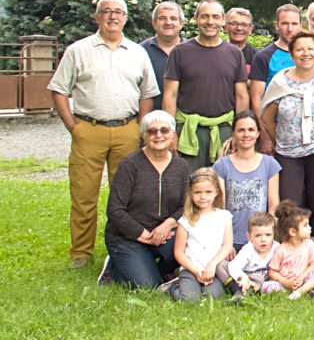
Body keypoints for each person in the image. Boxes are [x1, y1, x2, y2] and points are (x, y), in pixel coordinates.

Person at [49, 0, 160, 268]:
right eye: (106, 11)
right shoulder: (78, 50)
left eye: (118, 12)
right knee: (84, 195)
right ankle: (81, 253)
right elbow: (59, 90)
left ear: (125, 18)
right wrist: (73, 127)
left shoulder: (137, 52)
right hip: (89, 129)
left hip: (127, 129)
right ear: (97, 17)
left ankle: (123, 250)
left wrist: (141, 128)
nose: (113, 16)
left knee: (127, 197)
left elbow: (147, 93)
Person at [260, 30, 314, 241]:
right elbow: (268, 118)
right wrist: (281, 140)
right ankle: (291, 239)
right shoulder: (280, 82)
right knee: (290, 201)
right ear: (292, 54)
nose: (305, 53)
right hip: (288, 153)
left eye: (310, 49)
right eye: (299, 49)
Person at [100, 111, 189, 288]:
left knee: (192, 244)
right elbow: (115, 210)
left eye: (164, 130)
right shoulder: (129, 165)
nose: (158, 135)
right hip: (128, 236)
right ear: (143, 136)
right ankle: (113, 268)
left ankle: (155, 266)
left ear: (172, 134)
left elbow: (185, 206)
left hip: (165, 233)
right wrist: (145, 236)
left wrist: (167, 225)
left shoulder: (181, 166)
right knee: (147, 285)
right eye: (152, 131)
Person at [163, 0, 249, 170]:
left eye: (215, 17)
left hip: (224, 131)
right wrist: (170, 132)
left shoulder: (234, 53)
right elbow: (170, 94)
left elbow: (241, 96)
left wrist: (238, 132)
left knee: (223, 185)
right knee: (189, 185)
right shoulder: (180, 52)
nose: (210, 22)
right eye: (205, 16)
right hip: (188, 131)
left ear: (223, 20)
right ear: (196, 18)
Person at [213, 111, 281, 251]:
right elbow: (219, 207)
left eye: (251, 130)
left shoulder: (269, 164)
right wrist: (225, 242)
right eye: (241, 130)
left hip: (260, 240)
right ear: (233, 134)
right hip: (230, 239)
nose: (246, 135)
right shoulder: (221, 166)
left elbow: (274, 205)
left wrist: (267, 237)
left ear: (257, 133)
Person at [169, 168, 233, 302]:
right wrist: (196, 271)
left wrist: (213, 265)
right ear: (191, 193)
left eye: (208, 192)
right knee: (190, 300)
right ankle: (174, 286)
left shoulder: (224, 216)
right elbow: (179, 252)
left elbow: (227, 245)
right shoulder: (186, 220)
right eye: (197, 192)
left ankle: (202, 287)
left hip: (213, 269)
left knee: (213, 296)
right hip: (191, 269)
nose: (203, 197)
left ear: (216, 192)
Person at [249, 3, 303, 140]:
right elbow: (256, 98)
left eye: (294, 23)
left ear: (300, 26)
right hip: (273, 128)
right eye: (285, 23)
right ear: (276, 25)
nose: (290, 29)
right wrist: (264, 135)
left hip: (303, 129)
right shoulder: (263, 56)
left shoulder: (308, 55)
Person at [263, 200, 314, 299]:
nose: (310, 228)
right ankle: (286, 292)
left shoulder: (309, 244)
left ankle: (301, 291)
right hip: (284, 283)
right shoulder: (281, 249)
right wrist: (286, 282)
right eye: (305, 225)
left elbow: (313, 265)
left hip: (303, 279)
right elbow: (272, 272)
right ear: (293, 232)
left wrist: (301, 277)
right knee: (267, 286)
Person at [217, 211, 278, 302]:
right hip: (242, 277)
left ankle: (241, 293)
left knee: (259, 277)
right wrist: (241, 276)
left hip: (259, 280)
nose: (263, 239)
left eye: (268, 235)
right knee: (220, 265)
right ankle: (238, 291)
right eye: (257, 236)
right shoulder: (248, 249)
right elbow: (234, 265)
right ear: (249, 237)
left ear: (274, 234)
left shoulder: (277, 248)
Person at [140, 1, 184, 111]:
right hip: (151, 121)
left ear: (181, 23)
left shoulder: (193, 51)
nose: (168, 22)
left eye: (173, 18)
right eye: (162, 18)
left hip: (185, 121)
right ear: (154, 23)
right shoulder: (140, 51)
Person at [225, 7, 257, 77]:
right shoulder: (217, 53)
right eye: (234, 23)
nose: (239, 28)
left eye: (244, 24)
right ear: (226, 27)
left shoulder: (258, 56)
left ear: (251, 29)